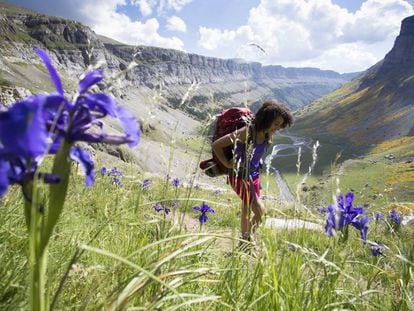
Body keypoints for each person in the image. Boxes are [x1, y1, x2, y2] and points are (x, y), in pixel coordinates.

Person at [212, 100, 294, 249]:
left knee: (247, 209)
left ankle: (243, 242)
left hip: (254, 177)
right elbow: (217, 145)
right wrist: (227, 163)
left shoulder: (268, 134)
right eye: (276, 123)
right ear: (266, 119)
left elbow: (256, 154)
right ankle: (246, 244)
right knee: (261, 212)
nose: (278, 128)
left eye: (280, 125)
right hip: (240, 176)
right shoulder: (247, 132)